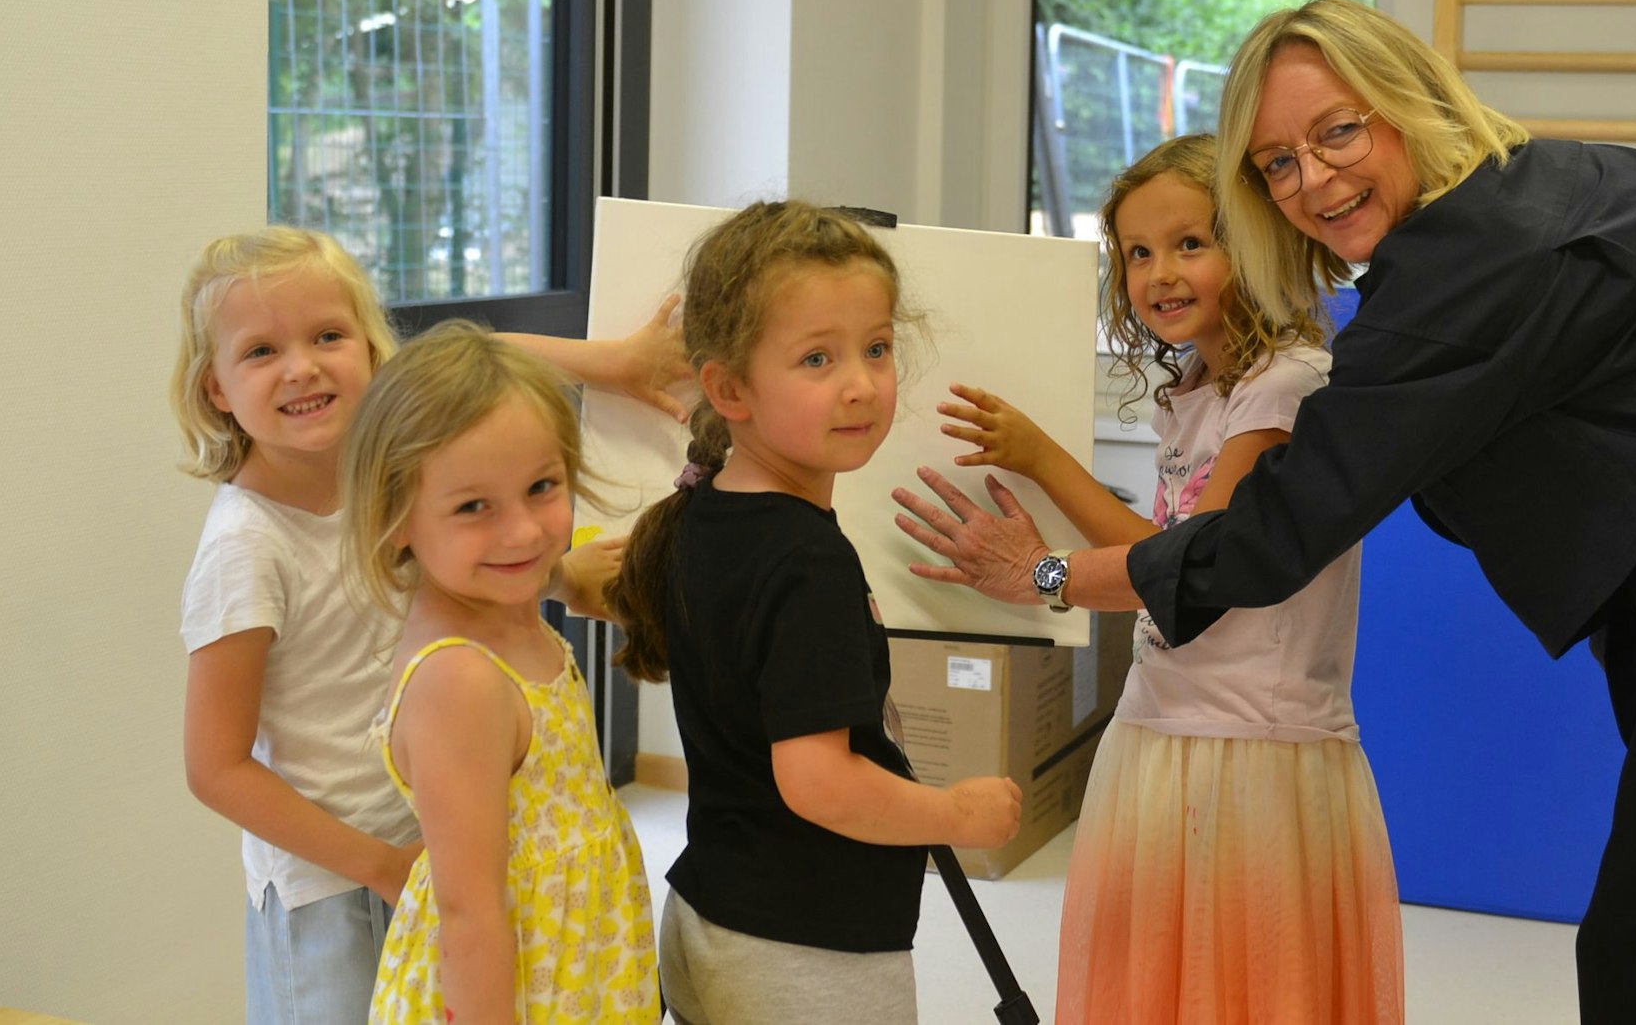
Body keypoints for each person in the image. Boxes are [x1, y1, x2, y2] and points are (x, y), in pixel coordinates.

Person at [892, 0, 1636, 1024]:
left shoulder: (1444, 283)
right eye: (1277, 164)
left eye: (1336, 131)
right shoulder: (1553, 185)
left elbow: (1265, 538)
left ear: (1408, 105)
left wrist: (1042, 572)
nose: (1313, 178)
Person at [936, 133, 1400, 1023]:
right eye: (1138, 253)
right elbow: (1171, 550)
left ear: (1257, 239)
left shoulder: (1284, 384)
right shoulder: (1200, 386)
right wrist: (1041, 463)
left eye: (1191, 243)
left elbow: (1199, 572)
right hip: (1169, 726)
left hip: (1249, 750)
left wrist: (1041, 569)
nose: (1159, 273)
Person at [170, 226, 684, 1024]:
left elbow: (478, 366)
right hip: (332, 885)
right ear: (215, 388)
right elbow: (214, 765)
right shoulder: (246, 546)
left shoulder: (394, 467)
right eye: (262, 351)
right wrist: (378, 864)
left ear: (373, 351)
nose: (303, 366)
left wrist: (611, 364)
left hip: (443, 841)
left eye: (329, 335)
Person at [602, 201, 1023, 1025]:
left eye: (875, 347)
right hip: (802, 958)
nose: (860, 383)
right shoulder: (807, 561)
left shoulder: (702, 514)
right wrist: (958, 812)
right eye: (817, 358)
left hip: (713, 921)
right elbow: (819, 781)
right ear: (729, 388)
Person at [341, 319, 659, 1022]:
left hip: (569, 969)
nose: (521, 532)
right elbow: (469, 910)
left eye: (542, 486)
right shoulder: (461, 679)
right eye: (473, 506)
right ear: (395, 516)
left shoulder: (508, 615)